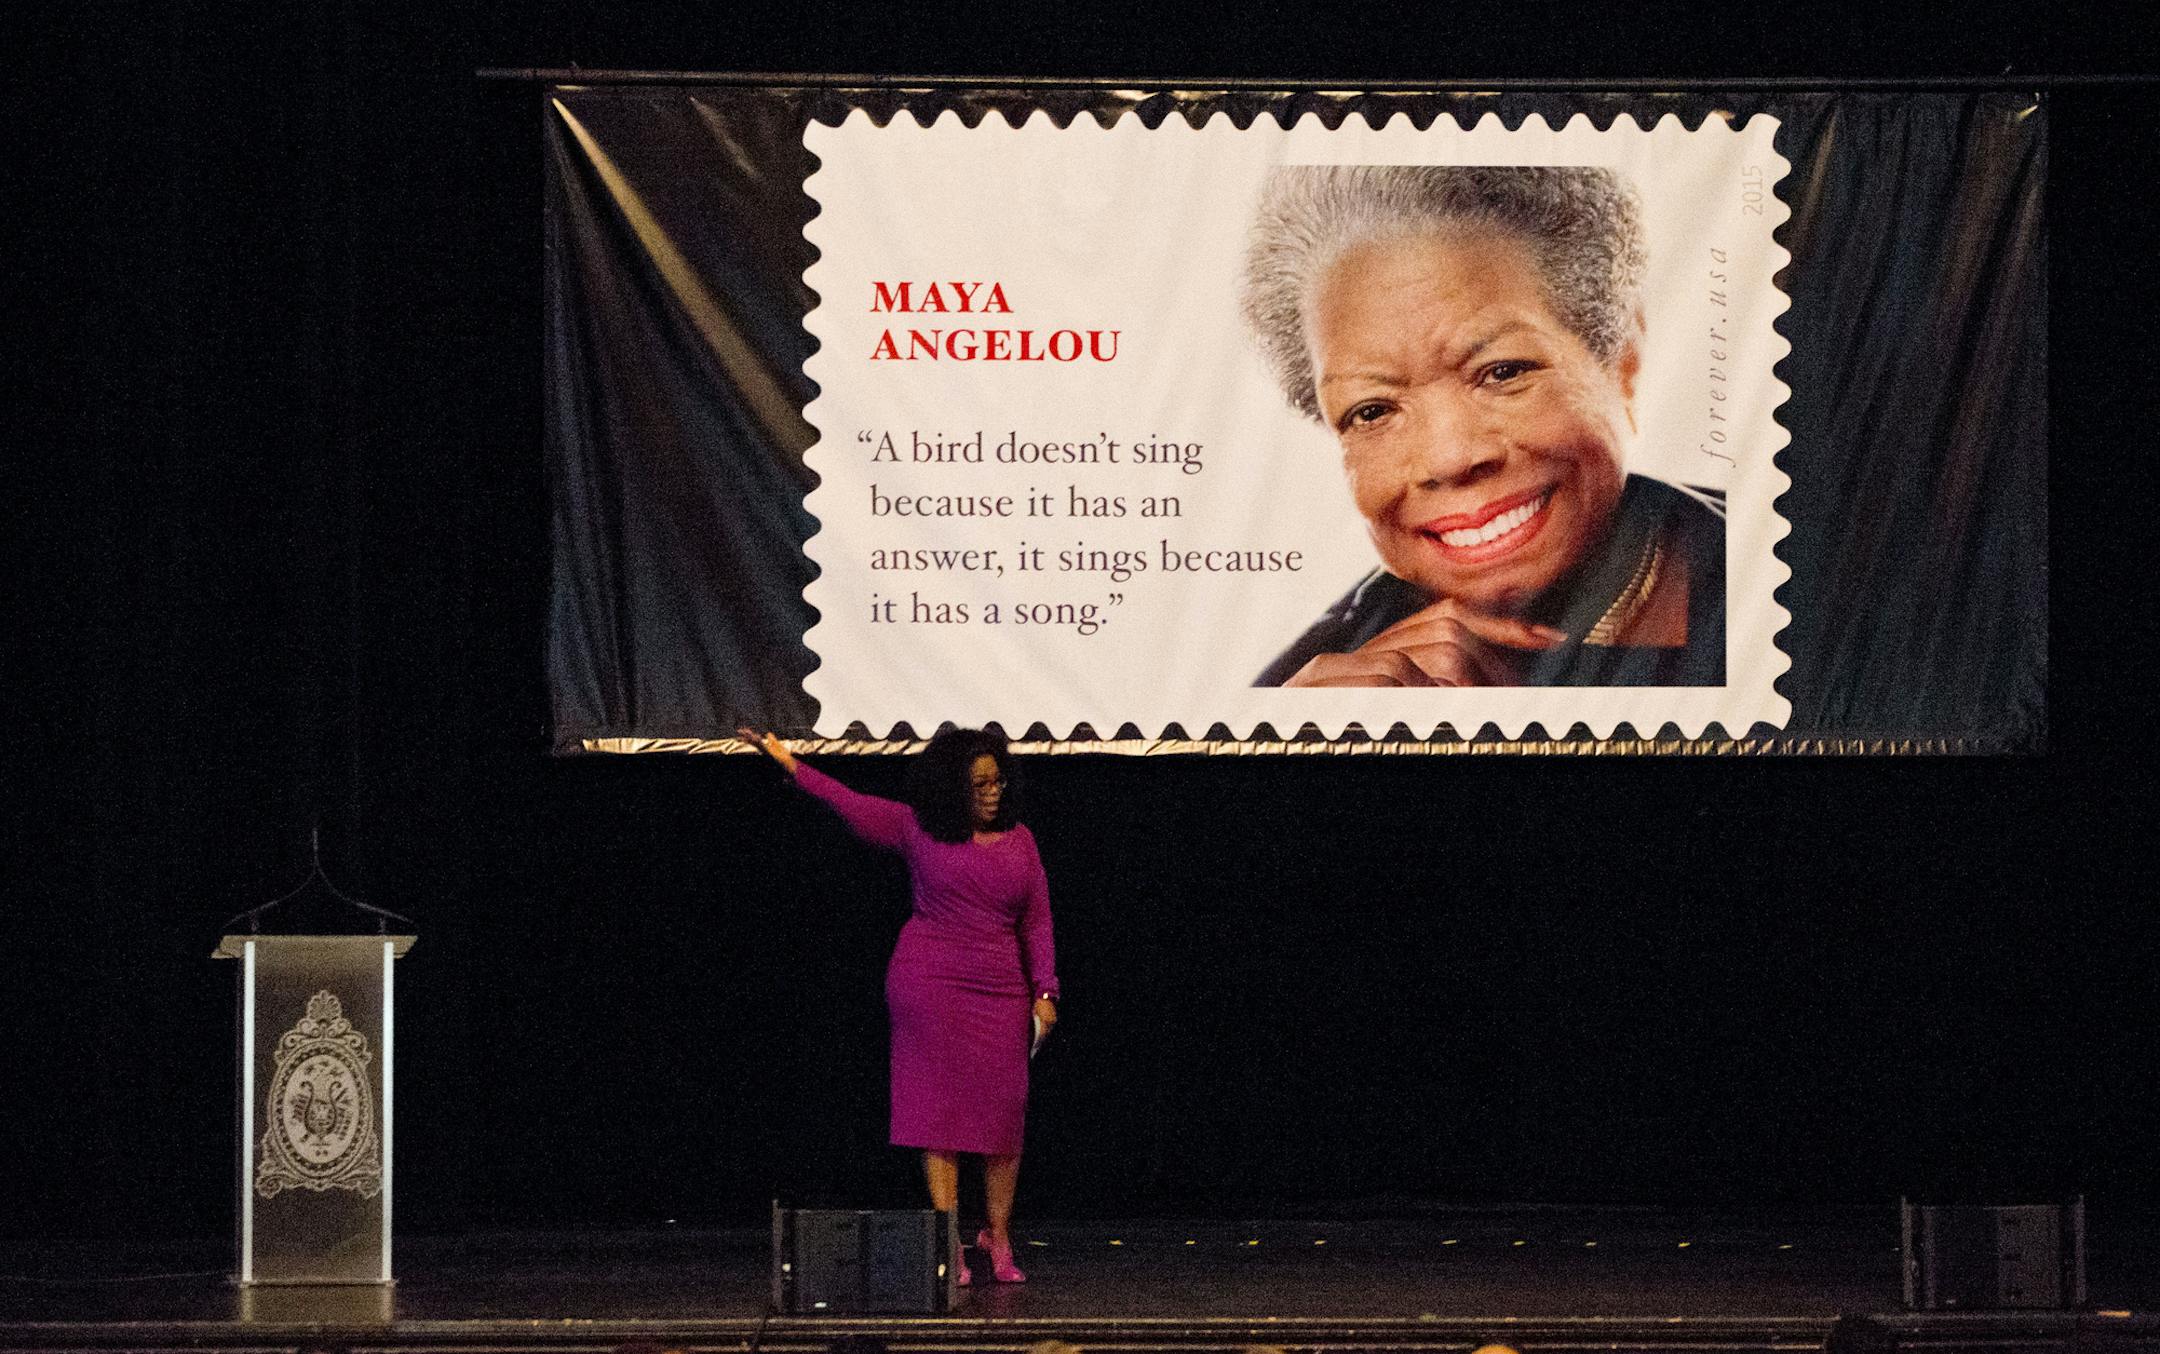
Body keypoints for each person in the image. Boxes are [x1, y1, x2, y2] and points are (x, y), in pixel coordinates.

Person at [1240, 165, 1725, 687]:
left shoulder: (1790, 580)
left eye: (1502, 372)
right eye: (1373, 410)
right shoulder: (1302, 697)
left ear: (1621, 362)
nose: (1450, 458)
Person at [739, 725, 1058, 1285]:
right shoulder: (915, 828)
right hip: (928, 985)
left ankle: (998, 1234)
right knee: (939, 1118)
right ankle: (950, 1242)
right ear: (951, 786)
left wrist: (1047, 990)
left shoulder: (1022, 840)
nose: (992, 791)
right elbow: (847, 800)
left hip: (1000, 991)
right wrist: (785, 759)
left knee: (1003, 1117)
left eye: (998, 781)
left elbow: (1037, 921)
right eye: (979, 783)